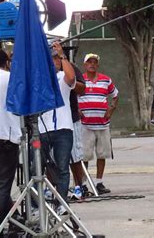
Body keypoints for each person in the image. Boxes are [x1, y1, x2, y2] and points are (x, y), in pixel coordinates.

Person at [38, 43, 76, 211]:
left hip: (63, 128)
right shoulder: (39, 78)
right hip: (42, 128)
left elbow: (72, 78)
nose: (55, 62)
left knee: (62, 167)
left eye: (56, 59)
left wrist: (62, 55)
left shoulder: (62, 77)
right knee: (37, 166)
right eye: (52, 58)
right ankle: (37, 203)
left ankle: (61, 203)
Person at [78, 53, 118, 195]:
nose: (92, 64)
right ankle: (83, 184)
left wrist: (111, 110)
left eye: (95, 62)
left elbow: (115, 95)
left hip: (103, 124)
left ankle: (99, 182)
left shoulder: (106, 80)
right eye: (89, 62)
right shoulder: (80, 80)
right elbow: (72, 96)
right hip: (85, 124)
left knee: (102, 154)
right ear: (85, 64)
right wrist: (77, 110)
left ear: (98, 65)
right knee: (84, 155)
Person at [0, 49, 21, 227]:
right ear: (6, 62)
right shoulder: (10, 79)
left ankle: (13, 219)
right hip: (7, 137)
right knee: (3, 185)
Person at [68, 60, 87, 200]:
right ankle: (51, 190)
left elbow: (81, 88)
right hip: (49, 120)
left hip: (71, 118)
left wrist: (71, 80)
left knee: (75, 156)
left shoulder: (70, 67)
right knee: (51, 160)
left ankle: (78, 187)